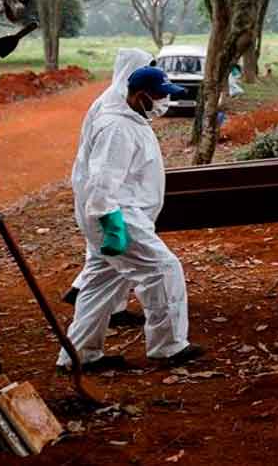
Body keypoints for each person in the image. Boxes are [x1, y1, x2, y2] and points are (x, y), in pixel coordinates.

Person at [57, 66, 204, 370]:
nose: (164, 101)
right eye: (159, 95)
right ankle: (169, 347)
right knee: (163, 269)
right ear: (139, 96)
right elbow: (102, 179)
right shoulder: (117, 128)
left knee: (99, 284)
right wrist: (110, 223)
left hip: (120, 214)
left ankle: (79, 355)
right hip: (118, 216)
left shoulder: (131, 121)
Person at [62, 48, 153, 327]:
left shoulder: (116, 99)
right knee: (115, 252)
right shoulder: (113, 106)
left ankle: (94, 297)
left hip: (102, 190)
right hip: (102, 191)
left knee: (104, 254)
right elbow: (107, 165)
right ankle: (99, 303)